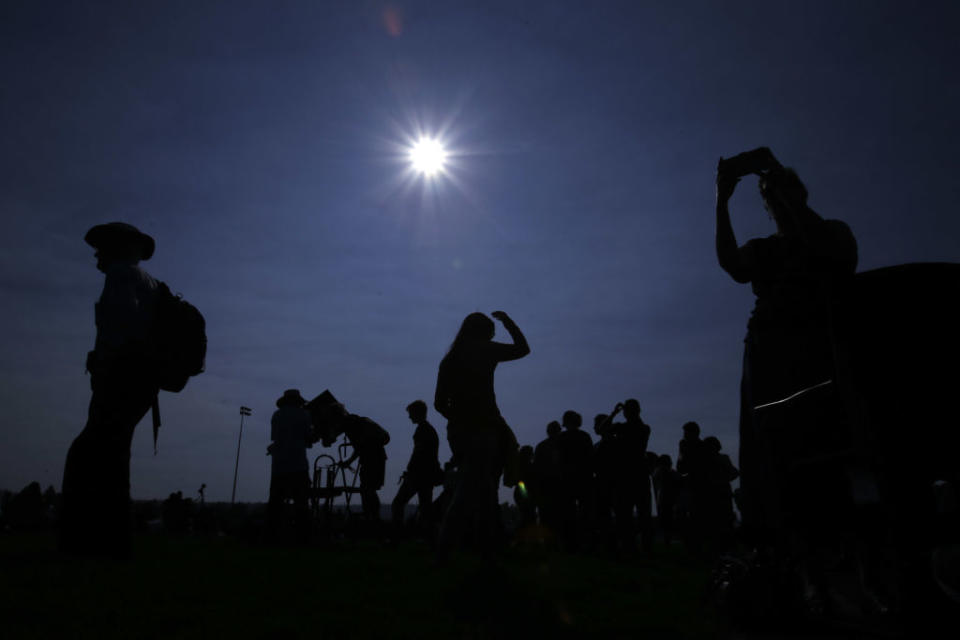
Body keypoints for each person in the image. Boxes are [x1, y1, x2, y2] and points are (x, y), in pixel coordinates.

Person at [715, 147, 857, 541]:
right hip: (768, 354)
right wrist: (721, 202)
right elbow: (731, 263)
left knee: (828, 448)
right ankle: (792, 551)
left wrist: (778, 180)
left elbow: (825, 251)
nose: (773, 198)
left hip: (820, 350)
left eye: (781, 191)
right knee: (774, 449)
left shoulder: (832, 232)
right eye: (768, 194)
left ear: (799, 194)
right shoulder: (764, 249)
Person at [60, 222, 160, 557]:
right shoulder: (148, 282)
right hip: (138, 379)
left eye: (101, 248)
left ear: (118, 248)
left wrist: (105, 362)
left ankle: (93, 541)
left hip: (120, 377)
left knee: (91, 455)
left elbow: (124, 324)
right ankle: (110, 542)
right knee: (111, 458)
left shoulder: (120, 275)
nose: (97, 255)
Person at [434, 311, 530, 558]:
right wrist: (509, 321)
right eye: (492, 332)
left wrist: (458, 420)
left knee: (485, 490)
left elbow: (439, 403)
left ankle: (491, 548)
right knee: (470, 489)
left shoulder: (450, 359)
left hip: (459, 431)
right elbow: (522, 349)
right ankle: (445, 549)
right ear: (485, 332)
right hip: (483, 428)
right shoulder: (485, 350)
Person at [267, 389, 314, 539]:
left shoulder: (277, 415)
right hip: (298, 464)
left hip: (279, 465)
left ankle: (272, 535)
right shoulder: (304, 415)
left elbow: (275, 438)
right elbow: (308, 439)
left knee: (276, 502)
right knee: (301, 502)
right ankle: (302, 536)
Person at [391, 400, 442, 536]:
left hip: (418, 476)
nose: (409, 417)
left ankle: (397, 536)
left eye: (411, 413)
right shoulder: (429, 430)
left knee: (398, 503)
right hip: (427, 476)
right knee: (426, 509)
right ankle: (432, 540)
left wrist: (410, 471)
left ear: (417, 413)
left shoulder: (422, 431)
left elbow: (418, 454)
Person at [612, 398, 653, 553]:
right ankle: (646, 547)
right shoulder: (644, 428)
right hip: (639, 473)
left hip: (626, 475)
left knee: (626, 513)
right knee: (643, 514)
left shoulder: (622, 428)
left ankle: (630, 546)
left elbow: (601, 429)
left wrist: (614, 413)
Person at [558, 409, 594, 551]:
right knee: (585, 511)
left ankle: (570, 542)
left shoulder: (561, 438)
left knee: (568, 512)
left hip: (567, 478)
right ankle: (585, 541)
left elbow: (558, 459)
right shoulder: (585, 436)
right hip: (583, 478)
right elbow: (591, 457)